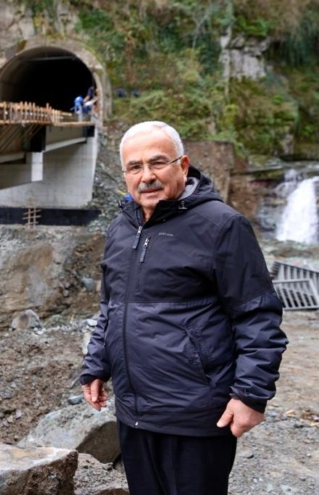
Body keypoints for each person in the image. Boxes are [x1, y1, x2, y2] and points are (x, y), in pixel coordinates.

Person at [80, 121, 288, 495]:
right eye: (135, 167)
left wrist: (251, 395)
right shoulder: (121, 229)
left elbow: (257, 315)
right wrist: (97, 364)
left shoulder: (222, 226)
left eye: (158, 163)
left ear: (184, 165)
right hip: (134, 412)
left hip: (196, 415)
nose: (147, 177)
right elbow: (112, 304)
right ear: (124, 173)